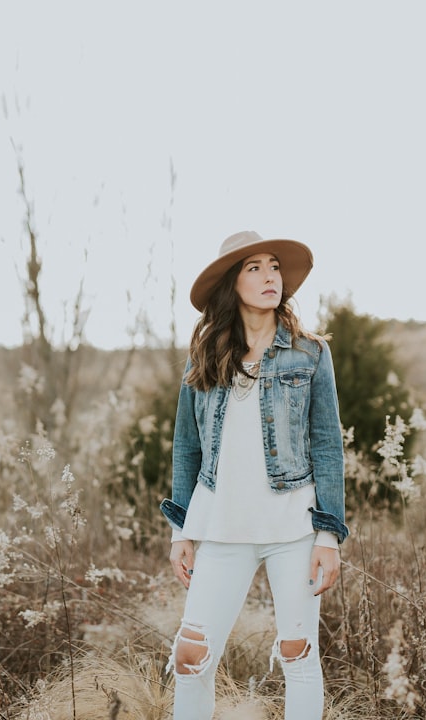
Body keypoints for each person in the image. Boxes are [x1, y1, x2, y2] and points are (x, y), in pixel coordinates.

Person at [160, 230, 349, 719]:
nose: (270, 276)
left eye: (274, 266)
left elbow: (328, 444)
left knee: (298, 655)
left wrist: (329, 536)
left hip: (294, 530)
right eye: (254, 268)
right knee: (191, 657)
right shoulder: (203, 358)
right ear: (231, 283)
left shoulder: (310, 354)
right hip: (221, 528)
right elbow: (187, 446)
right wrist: (182, 529)